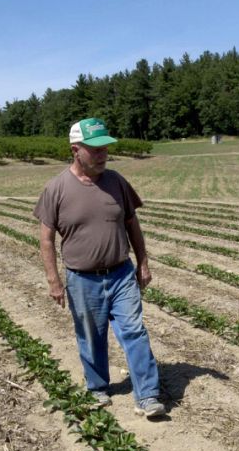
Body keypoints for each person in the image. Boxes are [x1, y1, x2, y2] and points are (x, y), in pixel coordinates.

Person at [33, 118, 165, 417]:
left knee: (133, 331)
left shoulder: (116, 181)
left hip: (121, 273)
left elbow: (133, 224)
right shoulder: (56, 188)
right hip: (82, 279)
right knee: (90, 336)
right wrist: (54, 281)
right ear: (75, 150)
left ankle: (148, 395)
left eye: (105, 147)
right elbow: (46, 239)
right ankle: (97, 388)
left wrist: (143, 263)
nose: (103, 153)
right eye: (95, 149)